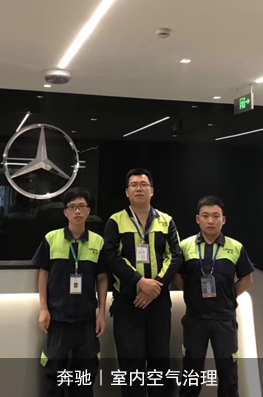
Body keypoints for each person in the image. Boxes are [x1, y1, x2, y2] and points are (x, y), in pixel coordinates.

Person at [104, 168, 182, 397]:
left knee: (160, 361)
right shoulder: (115, 221)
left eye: (143, 184)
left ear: (152, 191)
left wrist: (154, 288)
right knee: (131, 364)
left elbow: (175, 256)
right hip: (128, 302)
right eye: (134, 185)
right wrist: (140, 282)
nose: (139, 188)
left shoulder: (166, 221)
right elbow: (111, 257)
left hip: (158, 302)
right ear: (127, 192)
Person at [174, 196, 254, 397]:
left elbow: (247, 279)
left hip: (224, 319)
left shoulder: (235, 247)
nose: (211, 221)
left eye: (216, 216)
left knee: (228, 376)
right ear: (197, 219)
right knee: (191, 375)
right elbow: (178, 277)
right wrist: (191, 294)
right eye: (206, 216)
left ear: (223, 220)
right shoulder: (185, 246)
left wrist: (229, 296)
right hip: (195, 319)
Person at [31, 188, 108, 397]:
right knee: (54, 375)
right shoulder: (51, 238)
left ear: (88, 211)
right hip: (57, 318)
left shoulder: (98, 242)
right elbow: (43, 275)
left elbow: (102, 278)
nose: (77, 211)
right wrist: (43, 309)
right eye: (72, 207)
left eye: (82, 207)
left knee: (84, 376)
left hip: (86, 320)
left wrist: (101, 313)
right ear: (65, 212)